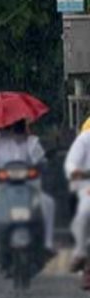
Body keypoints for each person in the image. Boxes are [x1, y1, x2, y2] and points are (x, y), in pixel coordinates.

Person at [0, 120, 55, 264]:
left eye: (19, 125)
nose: (17, 129)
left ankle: (47, 245)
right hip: (3, 191)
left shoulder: (32, 143)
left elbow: (42, 161)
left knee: (48, 204)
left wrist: (40, 166)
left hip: (30, 189)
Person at [65, 117, 90, 278]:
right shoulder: (85, 139)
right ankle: (81, 252)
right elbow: (71, 164)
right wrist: (75, 171)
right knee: (85, 213)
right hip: (87, 187)